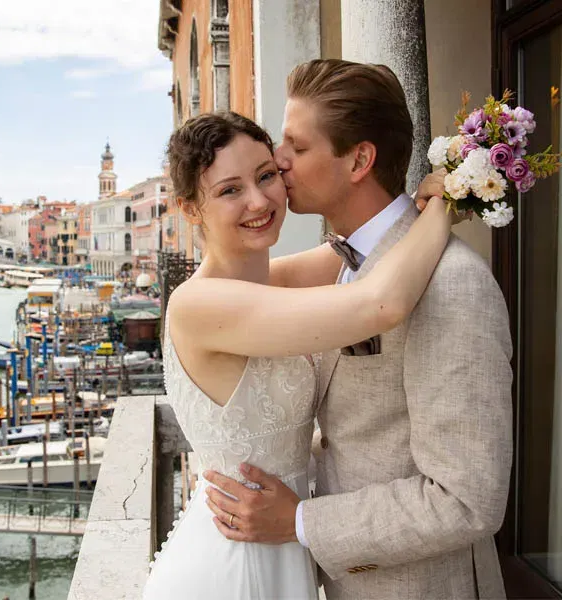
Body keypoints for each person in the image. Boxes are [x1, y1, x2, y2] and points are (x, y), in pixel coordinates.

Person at [202, 60, 513, 599]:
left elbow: (466, 500)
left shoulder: (452, 286)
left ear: (359, 160)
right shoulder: (346, 260)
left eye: (296, 148)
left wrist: (300, 521)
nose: (278, 160)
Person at [140, 108, 453, 599]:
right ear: (190, 209)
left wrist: (429, 195)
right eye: (229, 190)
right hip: (232, 562)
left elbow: (377, 243)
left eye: (267, 176)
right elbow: (382, 303)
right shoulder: (197, 304)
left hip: (283, 539)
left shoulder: (273, 277)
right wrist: (447, 205)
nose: (259, 200)